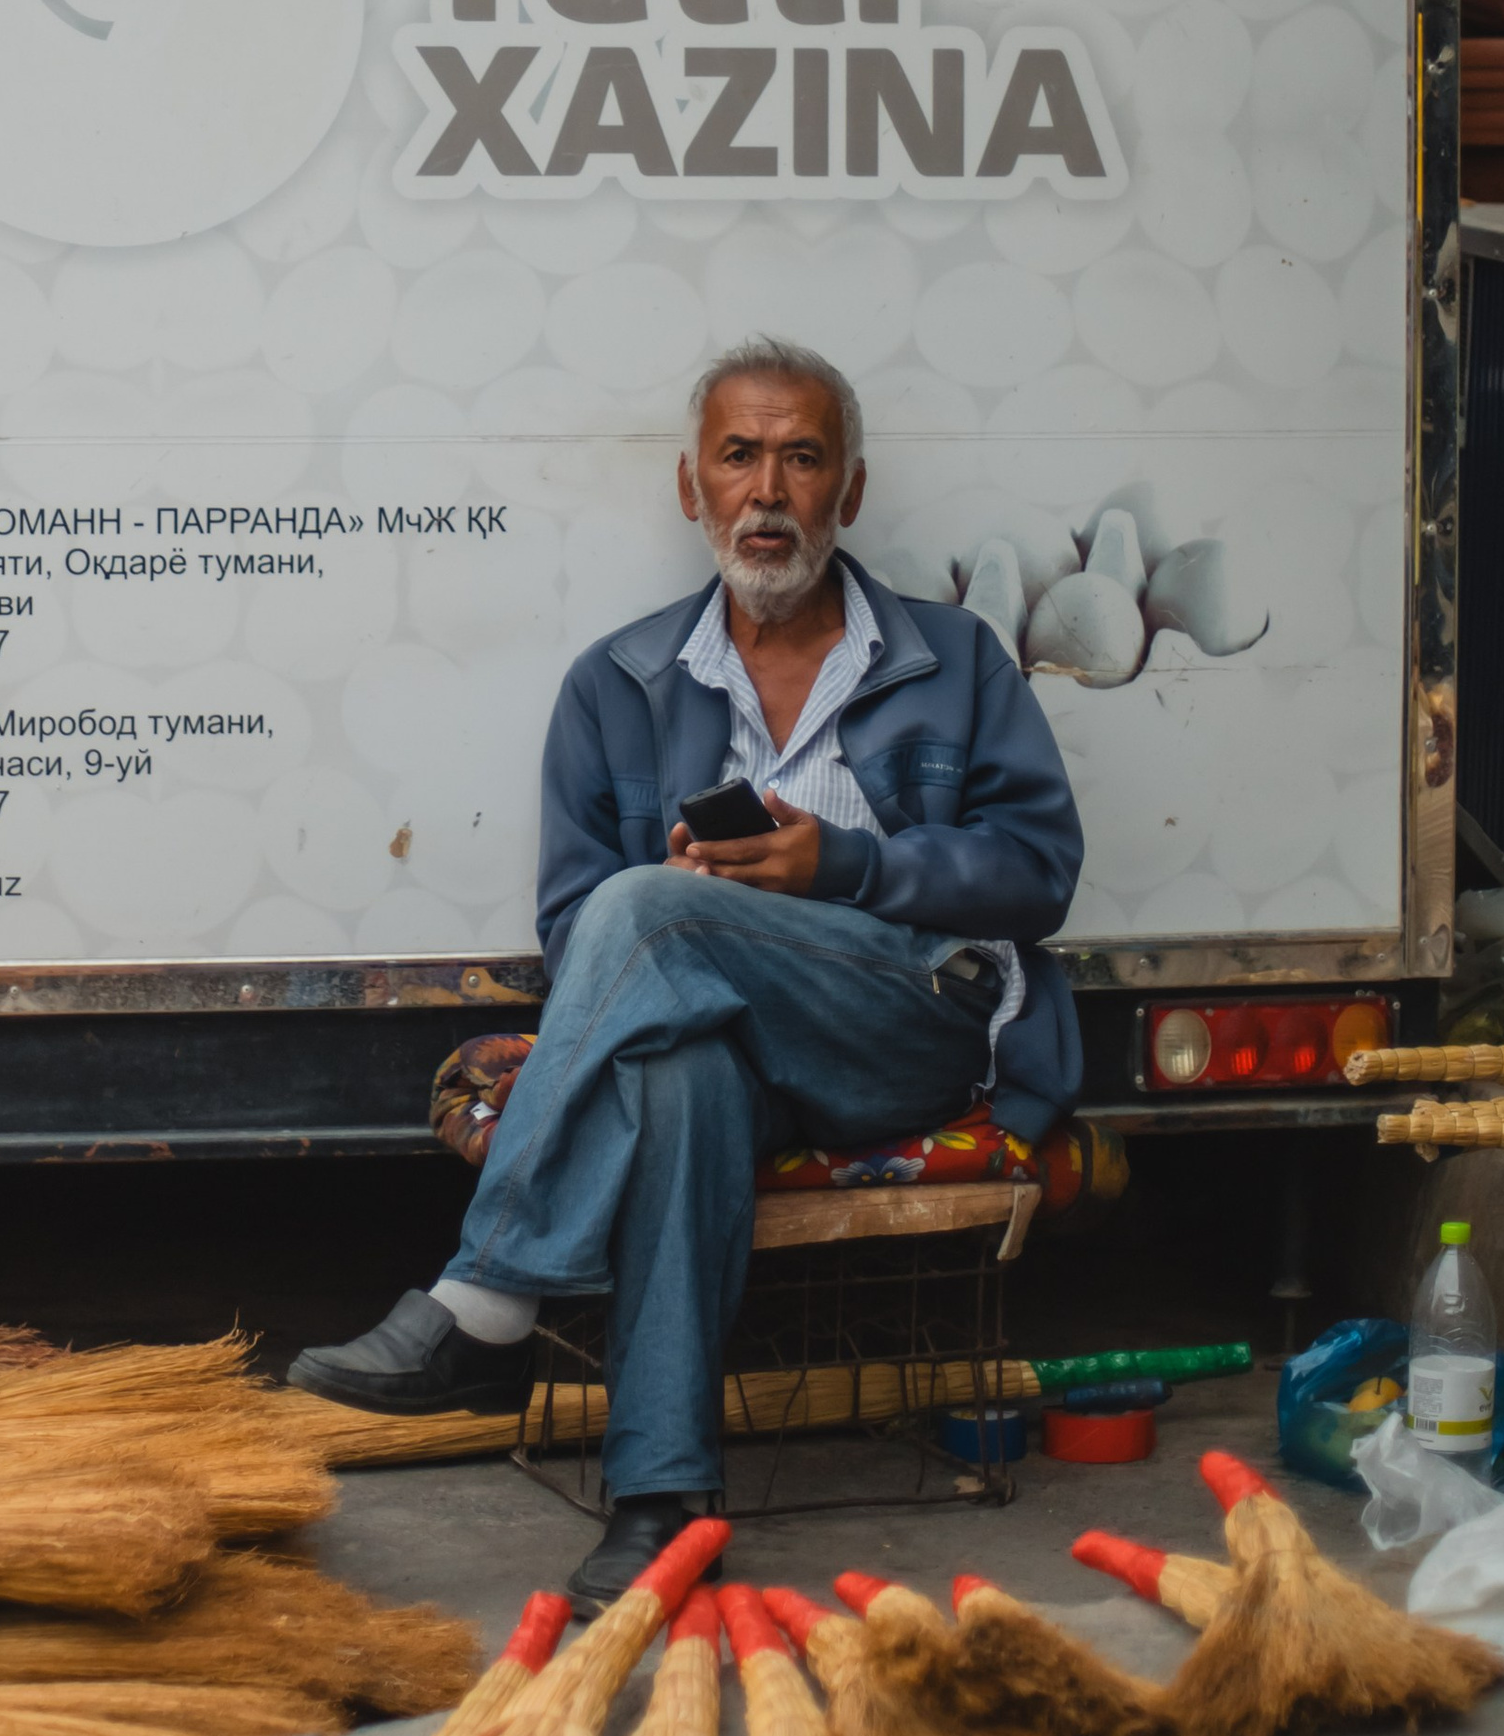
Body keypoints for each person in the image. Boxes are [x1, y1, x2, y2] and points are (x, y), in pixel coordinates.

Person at [290, 334, 1084, 1613]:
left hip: (906, 1024)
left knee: (651, 912)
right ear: (690, 488)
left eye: (800, 458)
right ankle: (660, 1507)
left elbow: (1038, 871)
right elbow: (572, 922)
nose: (767, 489)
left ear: (850, 492)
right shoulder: (616, 684)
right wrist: (693, 905)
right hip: (720, 1025)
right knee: (675, 1078)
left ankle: (488, 1290)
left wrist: (844, 865)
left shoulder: (953, 657)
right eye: (738, 456)